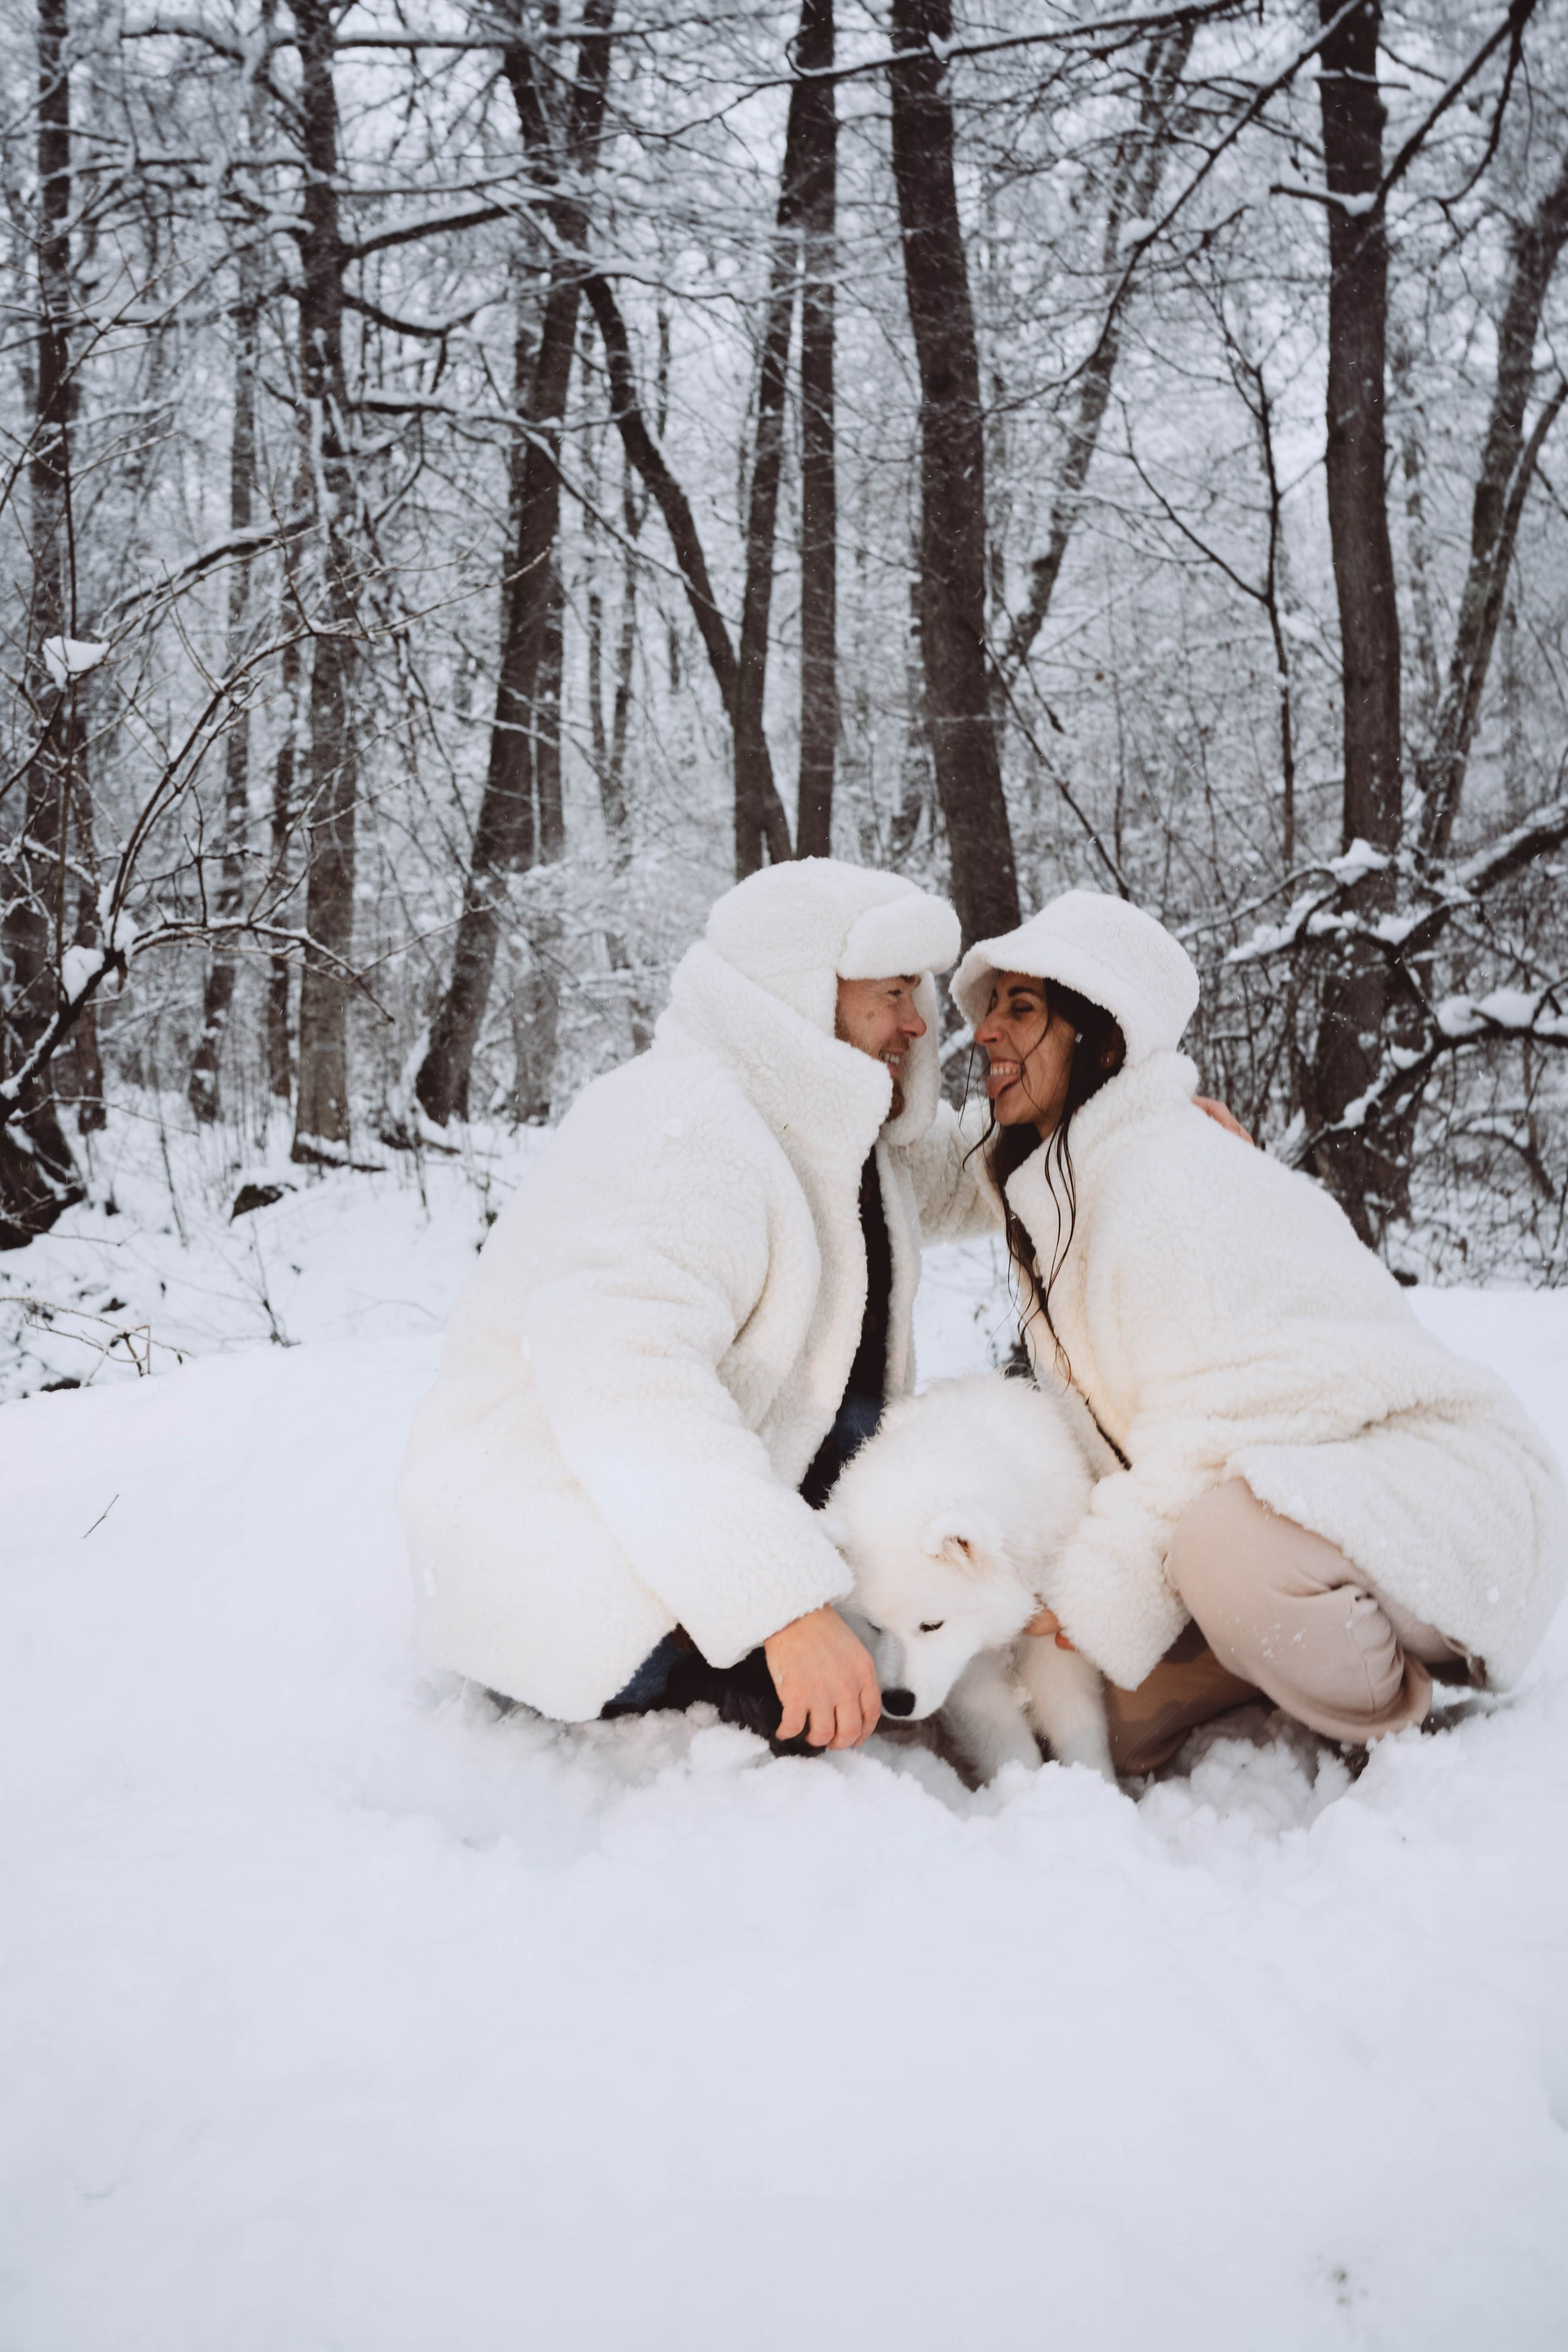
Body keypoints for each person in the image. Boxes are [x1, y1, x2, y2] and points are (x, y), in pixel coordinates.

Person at [952, 889, 1568, 1773]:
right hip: (1305, 1496)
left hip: (1450, 1499)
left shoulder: (1169, 1182)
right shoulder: (1073, 1180)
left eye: (1023, 1008)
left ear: (1104, 1037)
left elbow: (1213, 1432)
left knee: (1219, 1556)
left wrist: (1090, 1596)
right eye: (988, 1007)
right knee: (1090, 1720)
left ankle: (1378, 1710)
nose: (984, 1033)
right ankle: (1261, 1654)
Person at [397, 859, 997, 1754]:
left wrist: (1122, 1130)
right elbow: (624, 1382)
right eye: (893, 993)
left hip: (681, 1528)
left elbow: (976, 1170)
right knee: (817, 1720)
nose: (918, 1022)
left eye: (919, 993)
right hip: (563, 1551)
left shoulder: (827, 1132)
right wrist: (781, 1605)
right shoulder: (686, 1126)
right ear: (804, 992)